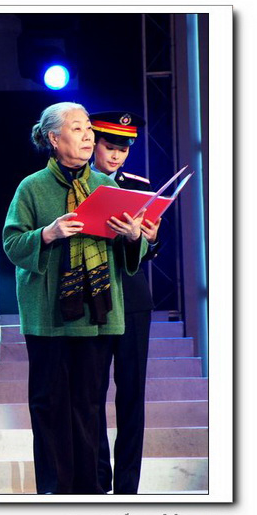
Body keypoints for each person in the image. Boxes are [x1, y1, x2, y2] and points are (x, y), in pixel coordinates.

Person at [2, 102, 148, 494]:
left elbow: (129, 252)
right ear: (54, 138)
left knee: (89, 407)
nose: (87, 136)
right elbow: (12, 244)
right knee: (49, 406)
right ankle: (54, 492)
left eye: (88, 129)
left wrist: (134, 236)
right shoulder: (32, 187)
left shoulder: (107, 187)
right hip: (49, 316)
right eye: (78, 128)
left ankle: (90, 492)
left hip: (96, 314)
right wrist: (47, 233)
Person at [90, 111, 161, 494]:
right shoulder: (80, 185)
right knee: (92, 394)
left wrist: (147, 237)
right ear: (94, 144)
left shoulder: (139, 187)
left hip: (132, 298)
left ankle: (127, 486)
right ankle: (98, 480)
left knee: (132, 395)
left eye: (123, 149)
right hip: (94, 298)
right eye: (110, 146)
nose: (116, 155)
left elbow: (154, 250)